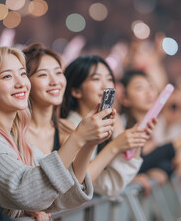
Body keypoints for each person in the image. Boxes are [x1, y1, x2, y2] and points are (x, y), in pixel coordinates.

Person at [0, 45, 114, 219]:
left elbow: (64, 194)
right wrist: (78, 137)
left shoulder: (15, 137)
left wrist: (88, 143)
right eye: (7, 76)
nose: (21, 83)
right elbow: (27, 193)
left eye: (22, 74)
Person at [61, 55, 156, 199]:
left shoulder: (110, 121)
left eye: (109, 79)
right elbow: (79, 184)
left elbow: (112, 182)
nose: (106, 86)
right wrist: (115, 147)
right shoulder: (69, 128)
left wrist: (137, 141)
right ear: (75, 91)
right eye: (96, 79)